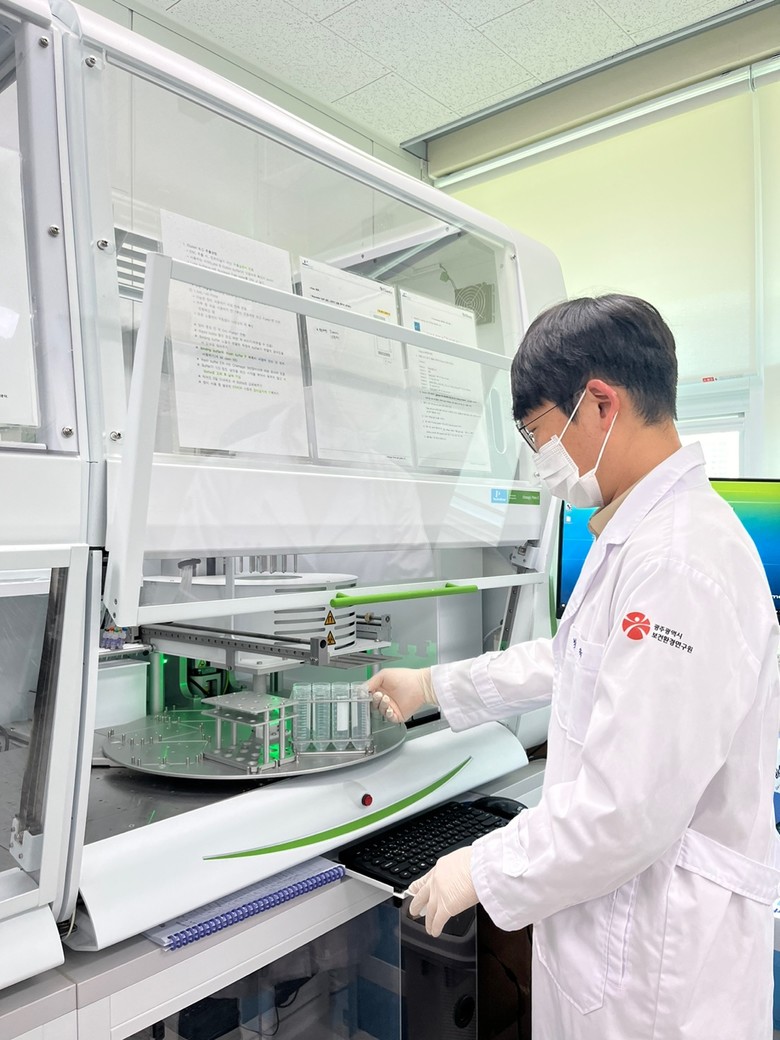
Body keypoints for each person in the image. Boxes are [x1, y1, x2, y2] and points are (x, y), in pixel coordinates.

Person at [368, 294, 780, 1040]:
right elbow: (573, 660)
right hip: (622, 942)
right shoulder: (638, 537)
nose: (540, 460)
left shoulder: (680, 563)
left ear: (600, 404)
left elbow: (625, 810)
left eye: (538, 433)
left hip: (662, 973)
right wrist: (430, 684)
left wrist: (480, 868)